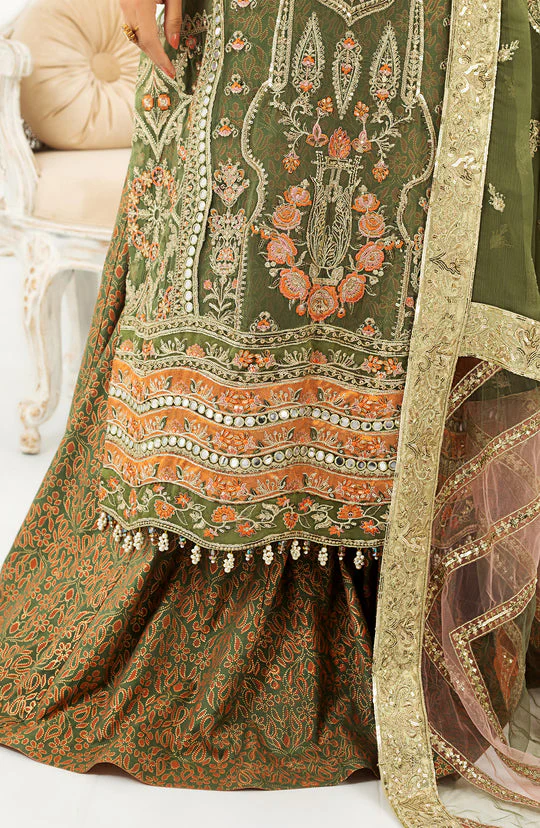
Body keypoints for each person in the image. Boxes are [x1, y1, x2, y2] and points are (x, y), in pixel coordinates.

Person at [0, 0, 539, 825]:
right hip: (256, 20)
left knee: (415, 267)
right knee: (234, 251)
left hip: (443, 27)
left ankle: (417, 633)